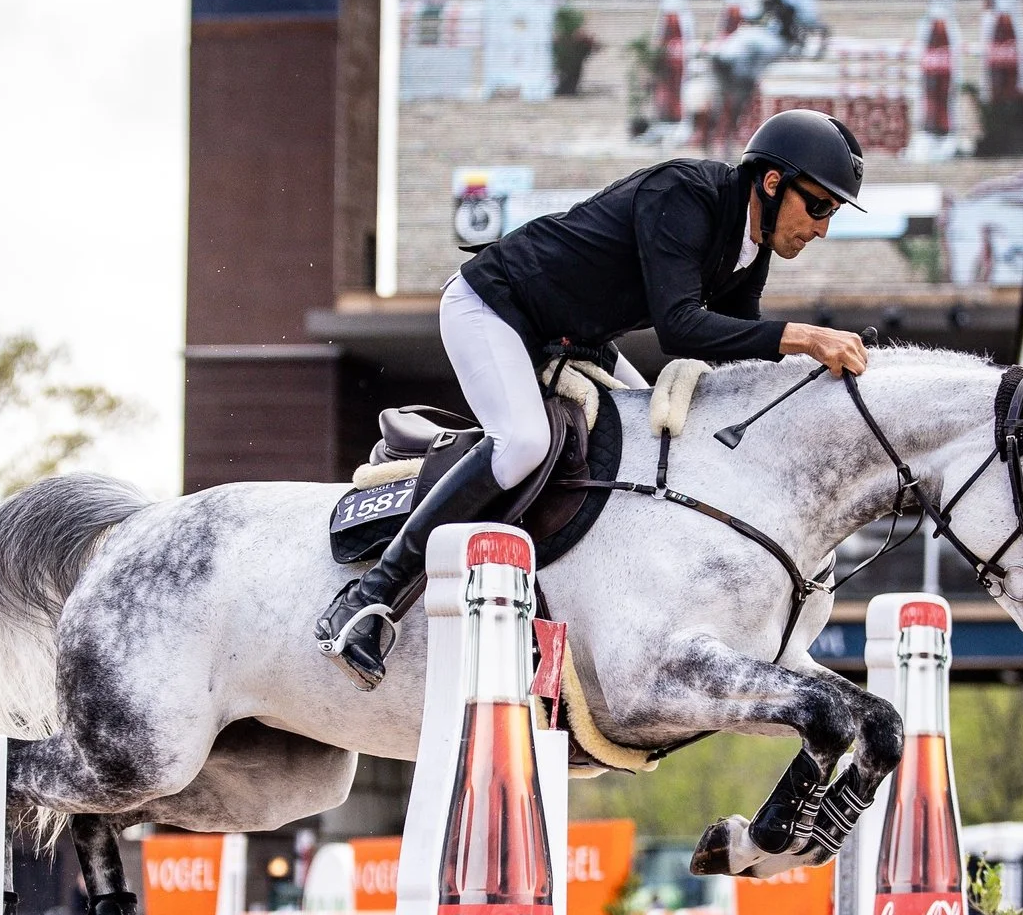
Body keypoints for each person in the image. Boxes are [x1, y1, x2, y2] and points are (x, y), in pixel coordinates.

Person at [315, 109, 873, 688]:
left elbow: (739, 349)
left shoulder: (749, 246)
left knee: (659, 443)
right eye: (819, 206)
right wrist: (807, 338)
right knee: (523, 443)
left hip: (572, 339)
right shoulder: (685, 194)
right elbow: (681, 327)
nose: (822, 228)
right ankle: (368, 598)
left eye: (831, 212)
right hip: (496, 306)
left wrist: (817, 381)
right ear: (773, 182)